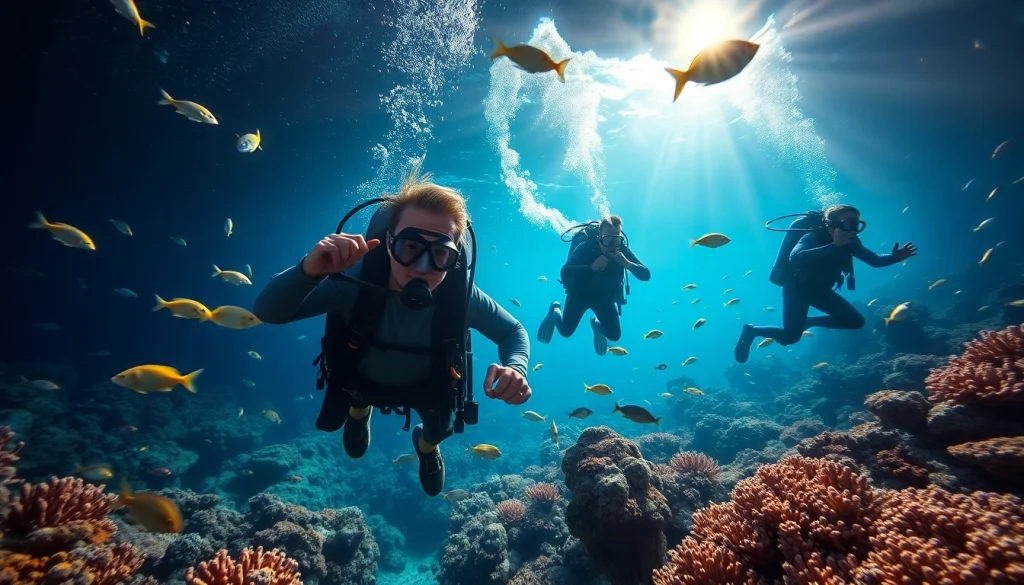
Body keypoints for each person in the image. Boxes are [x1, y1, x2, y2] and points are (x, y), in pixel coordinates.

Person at [252, 162, 531, 496]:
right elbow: (268, 312)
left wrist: (516, 368)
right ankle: (359, 411)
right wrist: (308, 271)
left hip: (429, 386)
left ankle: (426, 448)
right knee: (352, 398)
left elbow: (512, 331)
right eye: (410, 246)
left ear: (455, 259)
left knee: (439, 428)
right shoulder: (353, 281)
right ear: (388, 242)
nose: (422, 268)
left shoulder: (460, 297)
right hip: (358, 379)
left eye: (440, 253)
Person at [734, 204, 917, 363]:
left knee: (855, 321)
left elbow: (875, 260)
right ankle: (752, 331)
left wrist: (895, 257)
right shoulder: (813, 236)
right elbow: (796, 257)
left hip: (821, 291)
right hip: (797, 290)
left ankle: (809, 321)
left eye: (857, 223)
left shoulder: (851, 241)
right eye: (849, 223)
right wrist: (833, 246)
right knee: (791, 337)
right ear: (832, 225)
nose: (853, 228)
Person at [536, 215, 651, 355]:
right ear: (599, 237)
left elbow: (646, 275)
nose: (612, 246)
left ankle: (596, 325)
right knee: (566, 331)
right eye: (607, 240)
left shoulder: (622, 250)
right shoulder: (586, 246)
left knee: (615, 336)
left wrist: (629, 264)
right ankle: (554, 310)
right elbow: (565, 271)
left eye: (616, 240)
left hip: (605, 298)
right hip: (580, 295)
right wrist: (592, 267)